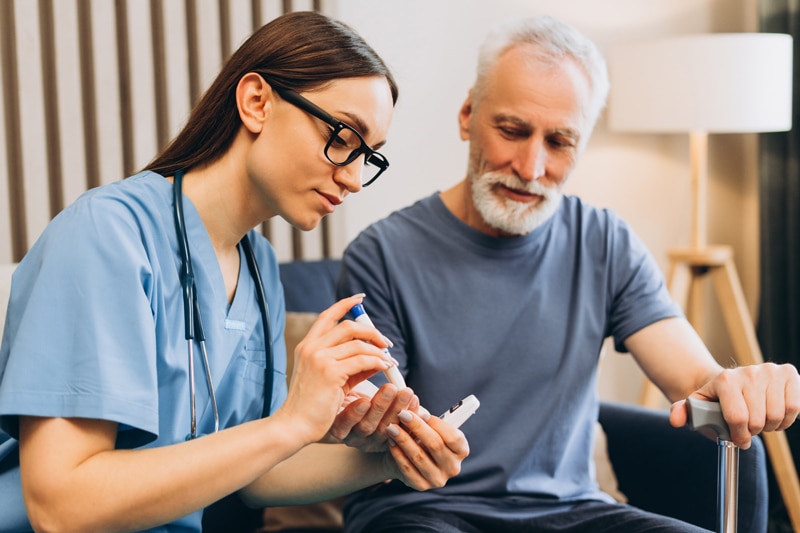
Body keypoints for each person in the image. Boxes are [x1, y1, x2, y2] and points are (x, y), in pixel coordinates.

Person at [0, 11, 468, 533]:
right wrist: (291, 423)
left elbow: (256, 477)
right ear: (257, 102)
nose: (355, 179)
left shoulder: (259, 265)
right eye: (343, 136)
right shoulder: (106, 235)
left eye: (369, 157)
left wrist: (388, 461)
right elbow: (62, 507)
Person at [333, 14, 800, 533]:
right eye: (512, 131)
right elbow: (370, 425)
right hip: (420, 512)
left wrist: (738, 386)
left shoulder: (605, 242)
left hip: (574, 514)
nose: (531, 167)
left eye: (559, 142)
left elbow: (694, 380)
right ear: (467, 115)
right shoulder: (379, 254)